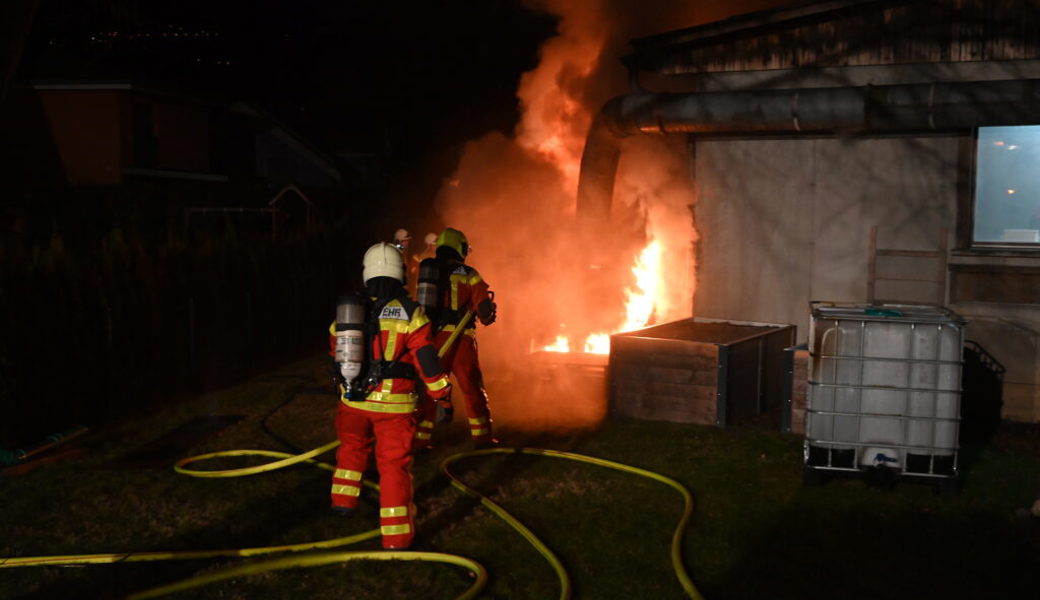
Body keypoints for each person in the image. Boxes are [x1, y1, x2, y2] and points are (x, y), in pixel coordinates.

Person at [328, 242, 451, 550]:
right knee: (393, 465)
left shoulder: (350, 311)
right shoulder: (412, 313)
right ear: (401, 274)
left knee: (352, 448)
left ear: (367, 272)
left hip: (353, 401)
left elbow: (335, 349)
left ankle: (343, 501)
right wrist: (442, 395)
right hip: (394, 408)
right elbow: (427, 360)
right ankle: (396, 536)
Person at [413, 227, 498, 450]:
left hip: (433, 338)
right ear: (460, 248)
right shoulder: (469, 273)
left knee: (430, 387)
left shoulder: (429, 272)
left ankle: (421, 440)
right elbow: (484, 310)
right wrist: (488, 312)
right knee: (472, 389)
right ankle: (482, 438)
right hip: (462, 341)